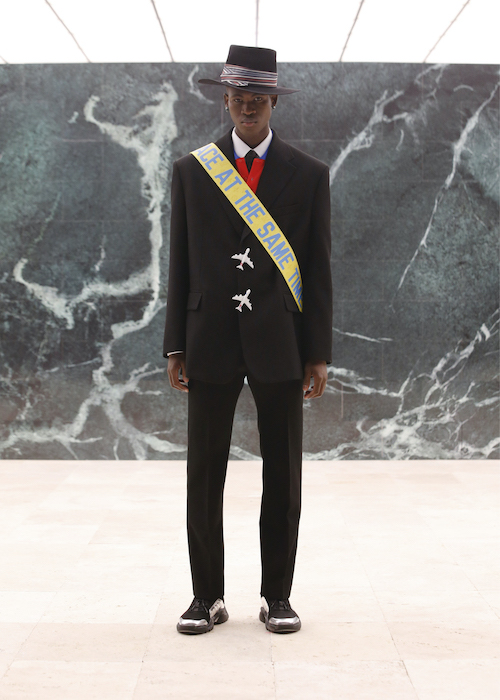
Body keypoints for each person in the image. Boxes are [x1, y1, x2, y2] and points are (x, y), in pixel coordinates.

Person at [163, 45, 332, 634]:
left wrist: (317, 352)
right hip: (208, 337)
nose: (248, 107)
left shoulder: (309, 174)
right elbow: (179, 261)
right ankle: (205, 597)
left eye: (258, 98)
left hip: (280, 340)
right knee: (204, 475)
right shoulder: (192, 170)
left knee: (282, 477)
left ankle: (277, 596)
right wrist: (175, 343)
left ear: (273, 102)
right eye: (239, 97)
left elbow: (318, 267)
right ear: (226, 101)